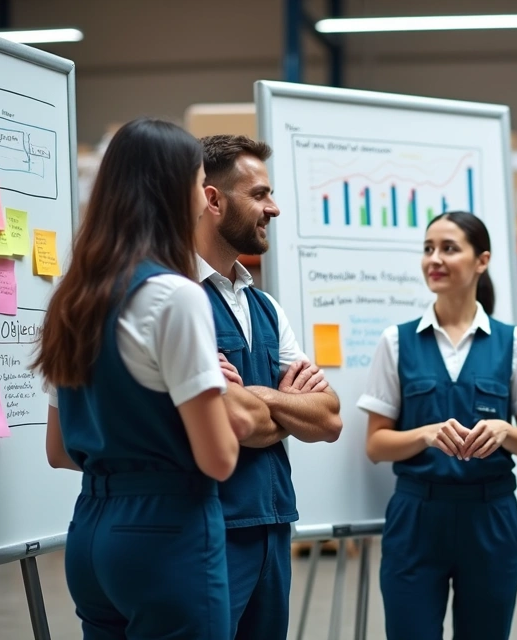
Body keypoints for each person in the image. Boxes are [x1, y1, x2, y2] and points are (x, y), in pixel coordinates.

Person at [36, 117, 267, 639]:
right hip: (167, 532)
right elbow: (220, 457)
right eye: (195, 182)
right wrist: (235, 394)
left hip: (92, 534)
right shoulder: (175, 296)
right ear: (173, 190)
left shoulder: (71, 296)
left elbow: (59, 449)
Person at [357, 211, 517, 640]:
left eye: (448, 248)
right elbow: (376, 444)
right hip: (416, 517)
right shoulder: (396, 341)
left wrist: (505, 431)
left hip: (491, 517)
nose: (434, 260)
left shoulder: (515, 342)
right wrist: (424, 434)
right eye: (428, 249)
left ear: (481, 261)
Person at [197, 134, 344, 639]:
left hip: (272, 527)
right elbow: (228, 422)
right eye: (259, 194)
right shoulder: (176, 301)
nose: (273, 208)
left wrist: (258, 395)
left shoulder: (266, 307)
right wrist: (286, 404)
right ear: (213, 200)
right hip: (208, 529)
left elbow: (328, 418)